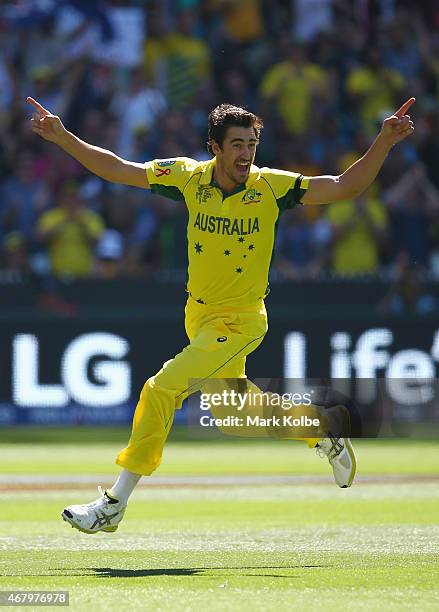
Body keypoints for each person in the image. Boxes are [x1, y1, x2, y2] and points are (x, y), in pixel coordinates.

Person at [27, 94, 415, 534]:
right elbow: (117, 168)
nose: (247, 154)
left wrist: (384, 140)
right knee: (237, 413)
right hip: (199, 316)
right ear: (214, 147)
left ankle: (113, 503)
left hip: (241, 320)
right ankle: (322, 427)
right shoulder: (187, 178)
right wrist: (63, 138)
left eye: (251, 144)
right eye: (237, 145)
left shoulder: (272, 186)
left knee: (161, 389)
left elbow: (345, 186)